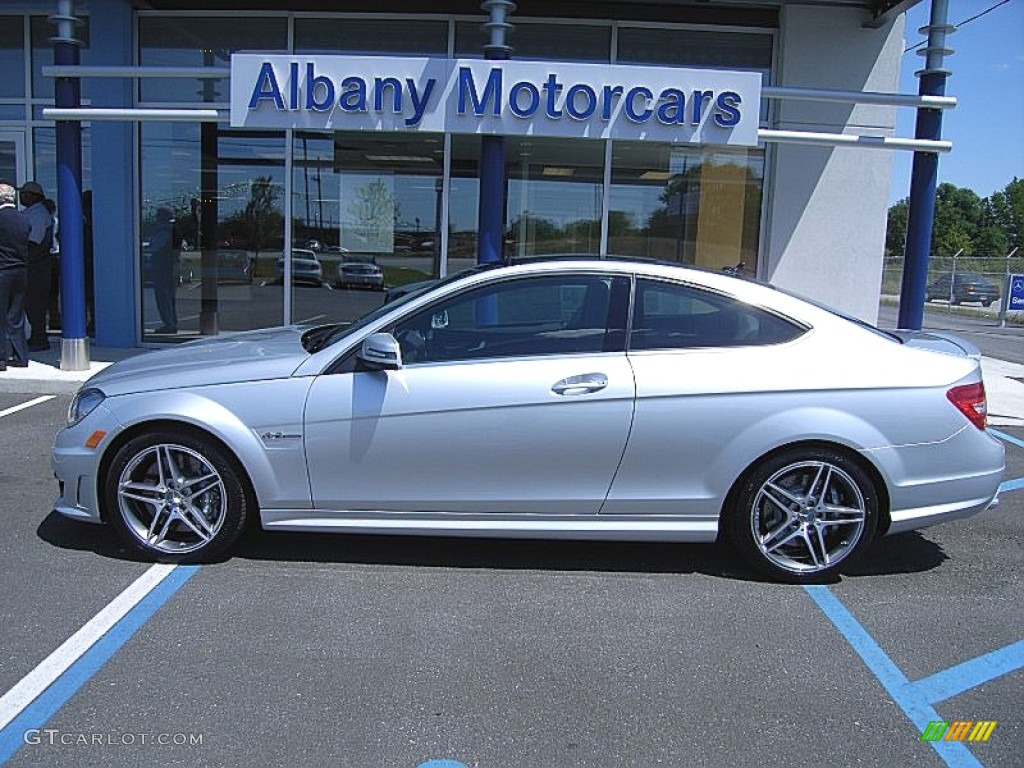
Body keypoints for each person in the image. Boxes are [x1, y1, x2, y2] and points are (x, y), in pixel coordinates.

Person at [18, 181, 54, 351]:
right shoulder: (31, 212)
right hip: (33, 265)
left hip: (37, 266)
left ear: (34, 196)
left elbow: (35, 241)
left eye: (25, 193)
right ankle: (36, 335)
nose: (22, 196)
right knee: (31, 302)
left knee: (35, 302)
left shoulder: (38, 214)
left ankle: (39, 337)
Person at [0, 182, 31, 371]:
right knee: (15, 316)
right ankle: (21, 356)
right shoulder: (23, 219)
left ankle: (1, 358)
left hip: (2, 270)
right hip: (20, 271)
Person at [148, 205, 178, 334]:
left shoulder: (164, 230)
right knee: (169, 297)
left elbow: (155, 246)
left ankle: (169, 323)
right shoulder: (174, 229)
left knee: (163, 296)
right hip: (170, 267)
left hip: (163, 267)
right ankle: (171, 322)